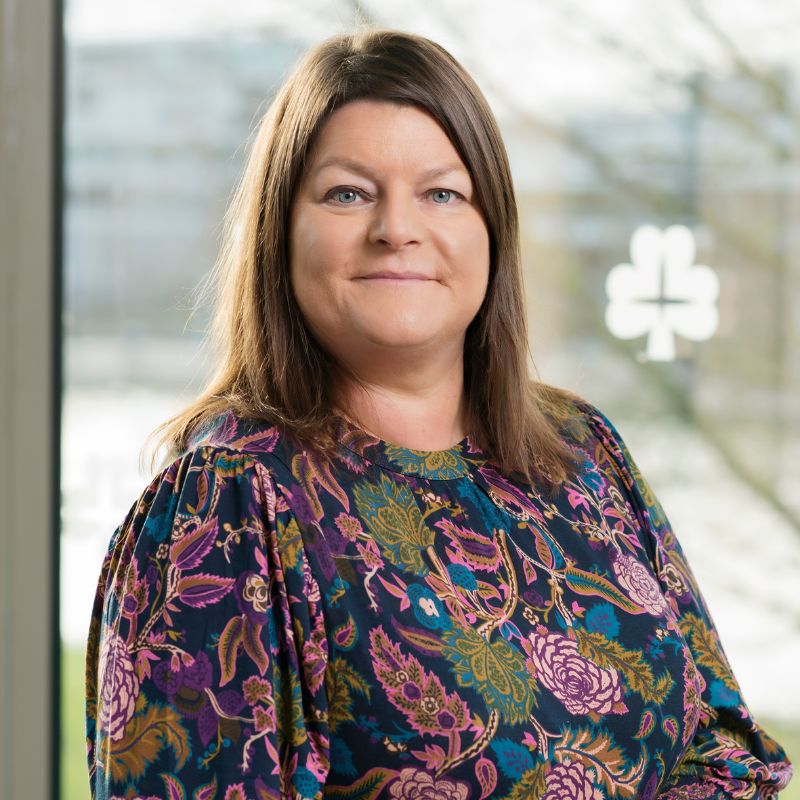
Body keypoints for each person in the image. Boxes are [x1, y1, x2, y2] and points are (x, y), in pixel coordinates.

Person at [85, 27, 792, 800]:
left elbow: (727, 752)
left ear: (492, 231)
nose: (397, 229)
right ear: (281, 234)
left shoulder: (582, 450)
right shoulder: (224, 508)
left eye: (442, 192)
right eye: (348, 193)